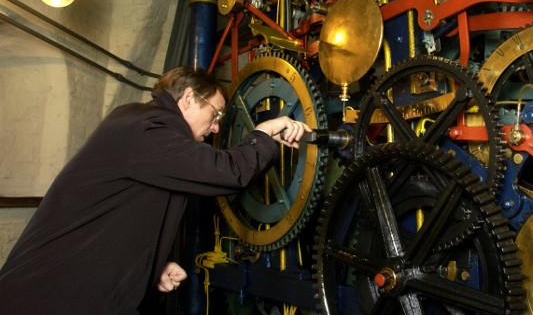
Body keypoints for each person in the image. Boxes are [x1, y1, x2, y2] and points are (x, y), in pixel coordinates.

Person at [0, 66, 311, 314]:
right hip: (46, 299)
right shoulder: (151, 127)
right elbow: (228, 171)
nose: (216, 127)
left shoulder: (141, 124)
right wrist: (263, 132)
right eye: (215, 114)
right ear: (188, 98)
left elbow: (119, 217)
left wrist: (148, 266)